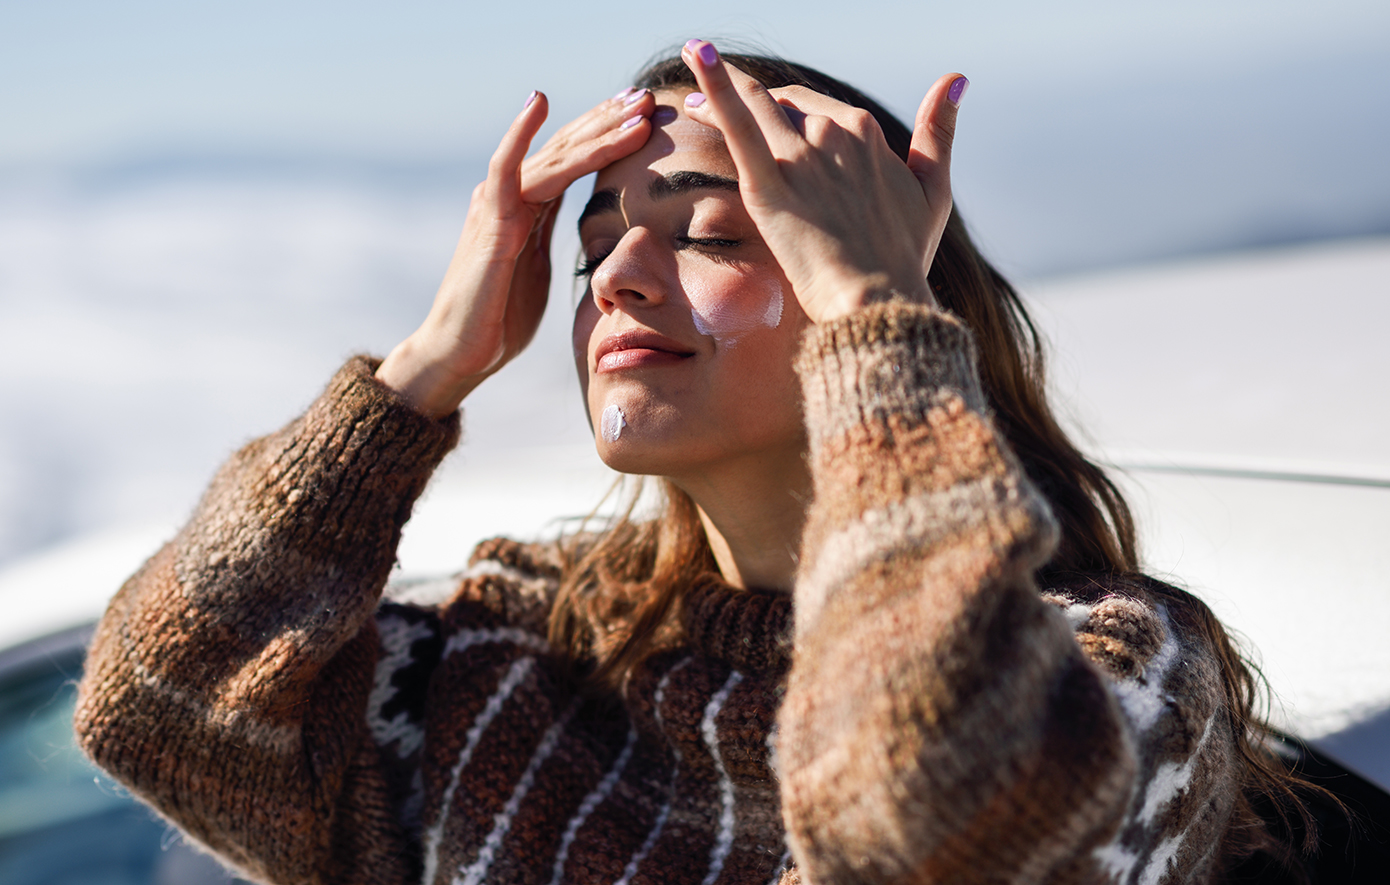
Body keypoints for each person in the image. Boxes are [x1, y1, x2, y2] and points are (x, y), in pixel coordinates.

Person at [75, 40, 1314, 885]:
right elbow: (156, 709)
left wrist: (876, 324)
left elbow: (927, 828)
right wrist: (421, 374)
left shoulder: (1110, 679)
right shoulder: (522, 656)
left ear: (875, 302)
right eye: (590, 248)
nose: (612, 275)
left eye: (714, 232)